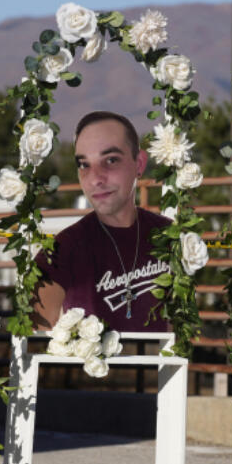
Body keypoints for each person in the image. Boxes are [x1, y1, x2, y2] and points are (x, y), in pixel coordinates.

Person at [33, 111, 171, 332]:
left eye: (111, 160)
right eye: (84, 165)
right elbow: (35, 341)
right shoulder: (62, 250)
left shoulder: (168, 235)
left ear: (140, 163)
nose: (96, 179)